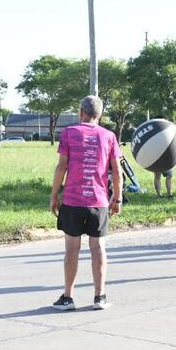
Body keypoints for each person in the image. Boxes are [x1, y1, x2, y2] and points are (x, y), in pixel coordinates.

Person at [48, 95, 121, 311]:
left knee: (72, 248)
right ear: (99, 115)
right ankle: (100, 297)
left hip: (72, 201)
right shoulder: (109, 136)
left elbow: (62, 167)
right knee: (98, 247)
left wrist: (54, 195)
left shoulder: (69, 133)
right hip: (98, 202)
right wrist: (116, 198)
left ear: (81, 112)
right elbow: (117, 170)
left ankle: (68, 297)